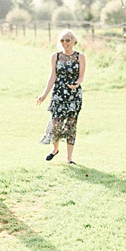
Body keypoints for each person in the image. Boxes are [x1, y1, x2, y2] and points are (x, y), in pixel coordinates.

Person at [37, 30, 86, 164]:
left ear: (73, 41)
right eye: (62, 40)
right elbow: (52, 76)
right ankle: (55, 149)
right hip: (58, 93)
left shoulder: (80, 57)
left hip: (74, 95)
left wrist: (76, 84)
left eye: (68, 40)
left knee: (71, 125)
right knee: (56, 124)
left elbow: (81, 75)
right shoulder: (56, 56)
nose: (65, 43)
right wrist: (44, 94)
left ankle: (69, 158)